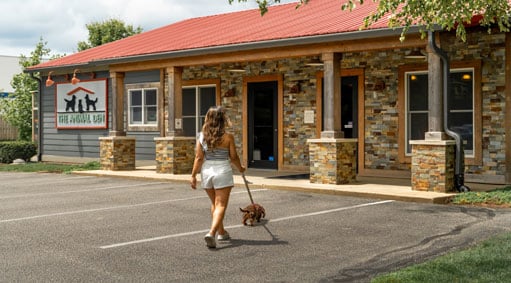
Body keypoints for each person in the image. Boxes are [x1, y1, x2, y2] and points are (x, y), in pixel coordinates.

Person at [190, 106, 245, 248]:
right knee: (221, 205)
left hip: (207, 171)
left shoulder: (201, 136)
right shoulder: (228, 137)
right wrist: (240, 168)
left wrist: (193, 175)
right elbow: (233, 157)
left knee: (215, 203)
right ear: (222, 120)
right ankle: (212, 232)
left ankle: (222, 232)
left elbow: (198, 157)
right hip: (222, 170)